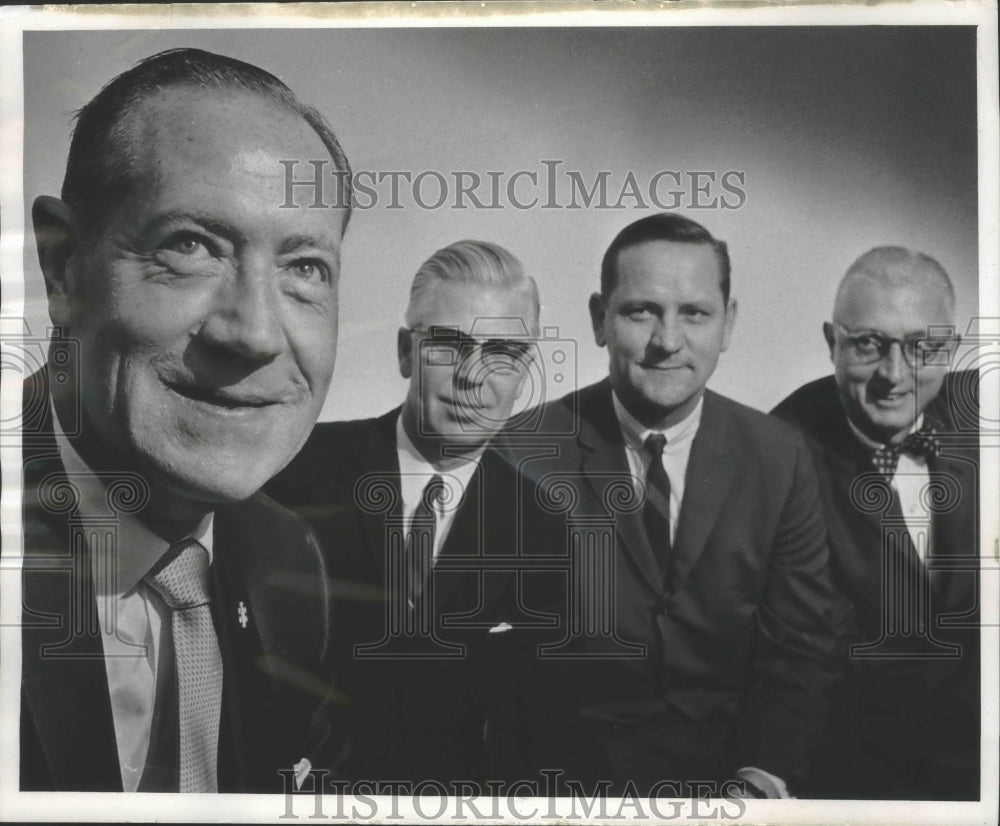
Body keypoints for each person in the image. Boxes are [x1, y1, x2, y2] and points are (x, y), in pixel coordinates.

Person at [20, 48, 351, 792]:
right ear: (63, 268)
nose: (257, 334)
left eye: (304, 268)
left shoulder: (289, 560)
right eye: (191, 245)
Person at [505, 213, 844, 798]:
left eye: (694, 313)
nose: (667, 341)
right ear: (599, 319)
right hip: (563, 788)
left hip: (729, 783)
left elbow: (802, 650)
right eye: (641, 311)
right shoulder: (520, 451)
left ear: (727, 324)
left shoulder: (780, 457)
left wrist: (759, 779)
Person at [267, 240, 555, 787]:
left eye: (502, 353)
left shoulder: (545, 531)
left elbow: (542, 734)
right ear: (405, 352)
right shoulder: (295, 475)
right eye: (448, 344)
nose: (474, 376)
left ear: (523, 373)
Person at [772, 246, 979, 800]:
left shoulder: (983, 410)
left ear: (952, 350)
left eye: (922, 347)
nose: (894, 375)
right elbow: (803, 662)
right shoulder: (779, 453)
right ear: (831, 343)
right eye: (868, 344)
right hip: (861, 776)